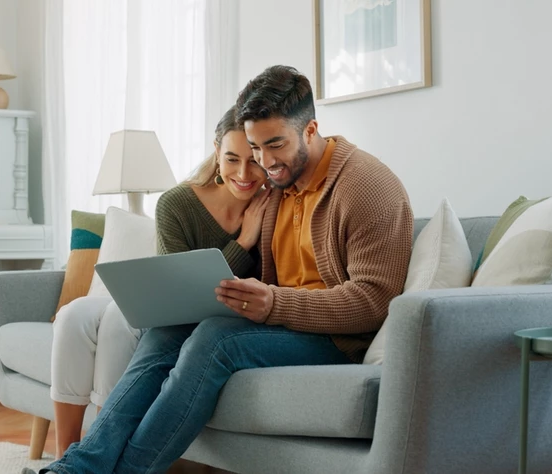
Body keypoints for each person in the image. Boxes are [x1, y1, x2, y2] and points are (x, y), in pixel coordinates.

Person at [38, 65, 414, 474]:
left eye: (275, 145)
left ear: (310, 130)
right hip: (283, 324)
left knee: (218, 337)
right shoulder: (279, 184)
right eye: (256, 148)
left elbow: (375, 302)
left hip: (338, 338)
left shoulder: (366, 187)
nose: (265, 163)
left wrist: (273, 303)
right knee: (168, 330)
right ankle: (73, 469)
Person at [46, 105, 271, 459]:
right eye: (231, 159)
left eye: (254, 160)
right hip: (168, 308)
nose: (244, 173)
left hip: (208, 320)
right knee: (74, 316)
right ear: (216, 152)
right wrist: (242, 243)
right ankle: (66, 454)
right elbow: (179, 295)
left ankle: (101, 456)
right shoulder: (178, 203)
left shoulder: (272, 206)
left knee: (119, 322)